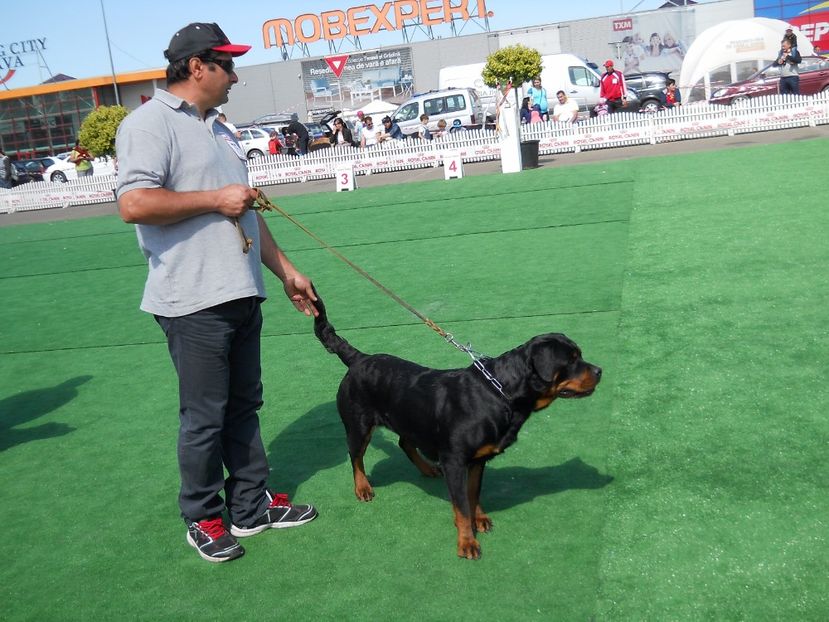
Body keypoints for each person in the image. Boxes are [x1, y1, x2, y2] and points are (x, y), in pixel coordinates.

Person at [114, 21, 319, 564]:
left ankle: (250, 508)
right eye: (228, 64)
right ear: (197, 67)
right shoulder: (148, 123)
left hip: (241, 290)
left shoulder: (220, 127)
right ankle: (203, 516)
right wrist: (216, 199)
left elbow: (244, 208)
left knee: (245, 405)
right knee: (204, 416)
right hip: (191, 299)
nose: (236, 74)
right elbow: (134, 204)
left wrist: (287, 271)